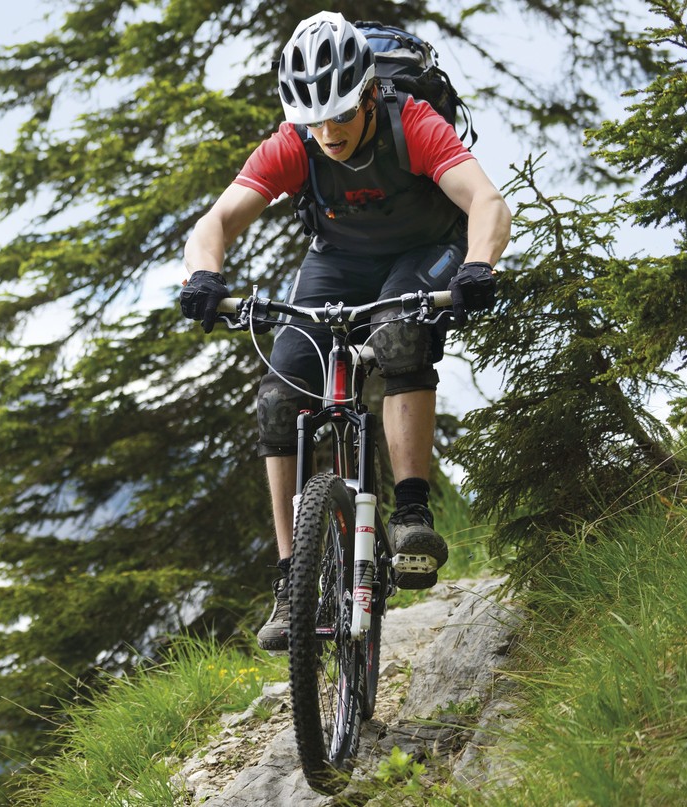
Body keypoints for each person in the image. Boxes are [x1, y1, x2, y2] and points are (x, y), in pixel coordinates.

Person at [178, 12, 510, 652]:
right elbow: (216, 221)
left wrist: (478, 266)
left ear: (367, 95)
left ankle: (411, 513)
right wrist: (203, 278)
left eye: (339, 116)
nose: (327, 133)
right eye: (314, 120)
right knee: (278, 403)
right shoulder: (294, 141)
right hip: (338, 261)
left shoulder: (412, 123)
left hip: (424, 251)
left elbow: (486, 202)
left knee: (397, 335)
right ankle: (289, 579)